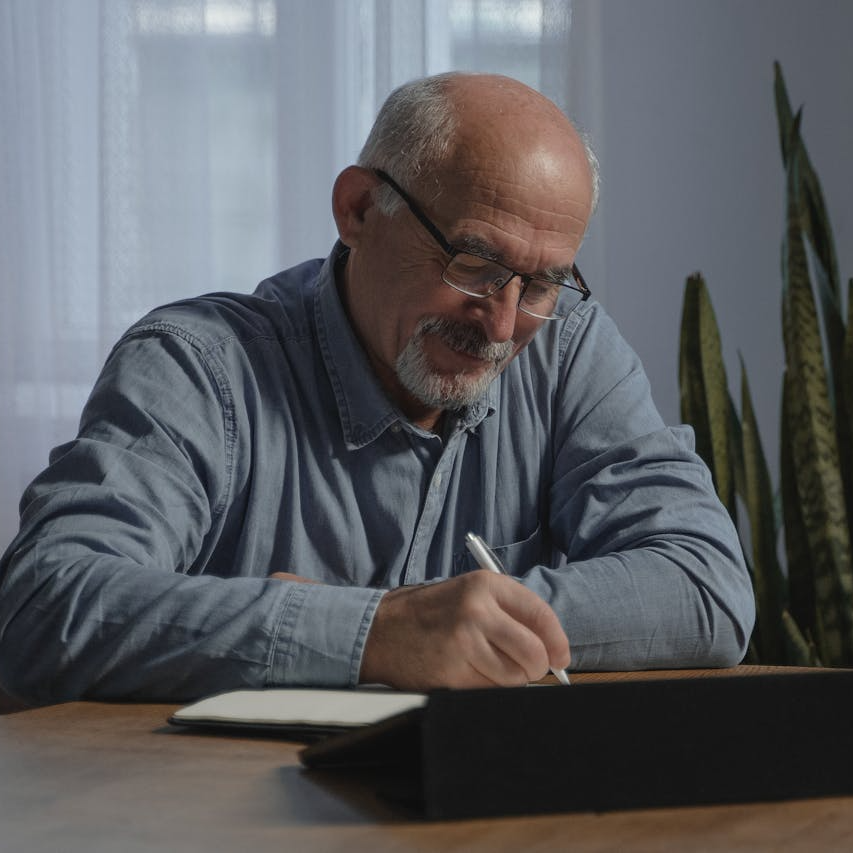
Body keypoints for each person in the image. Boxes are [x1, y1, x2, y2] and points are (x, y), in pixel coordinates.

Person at [0, 72, 754, 705]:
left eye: (542, 283)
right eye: (473, 262)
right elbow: (42, 605)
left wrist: (425, 623)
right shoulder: (198, 365)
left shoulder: (568, 350)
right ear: (358, 210)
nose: (501, 323)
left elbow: (706, 583)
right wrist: (378, 634)